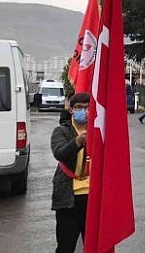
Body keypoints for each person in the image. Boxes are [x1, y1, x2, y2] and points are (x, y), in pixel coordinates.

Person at [51, 92, 91, 253]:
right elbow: (60, 153)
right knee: (66, 246)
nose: (83, 110)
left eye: (87, 107)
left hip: (92, 198)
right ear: (72, 110)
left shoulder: (98, 130)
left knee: (94, 246)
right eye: (79, 107)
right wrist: (78, 141)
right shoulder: (61, 131)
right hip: (69, 200)